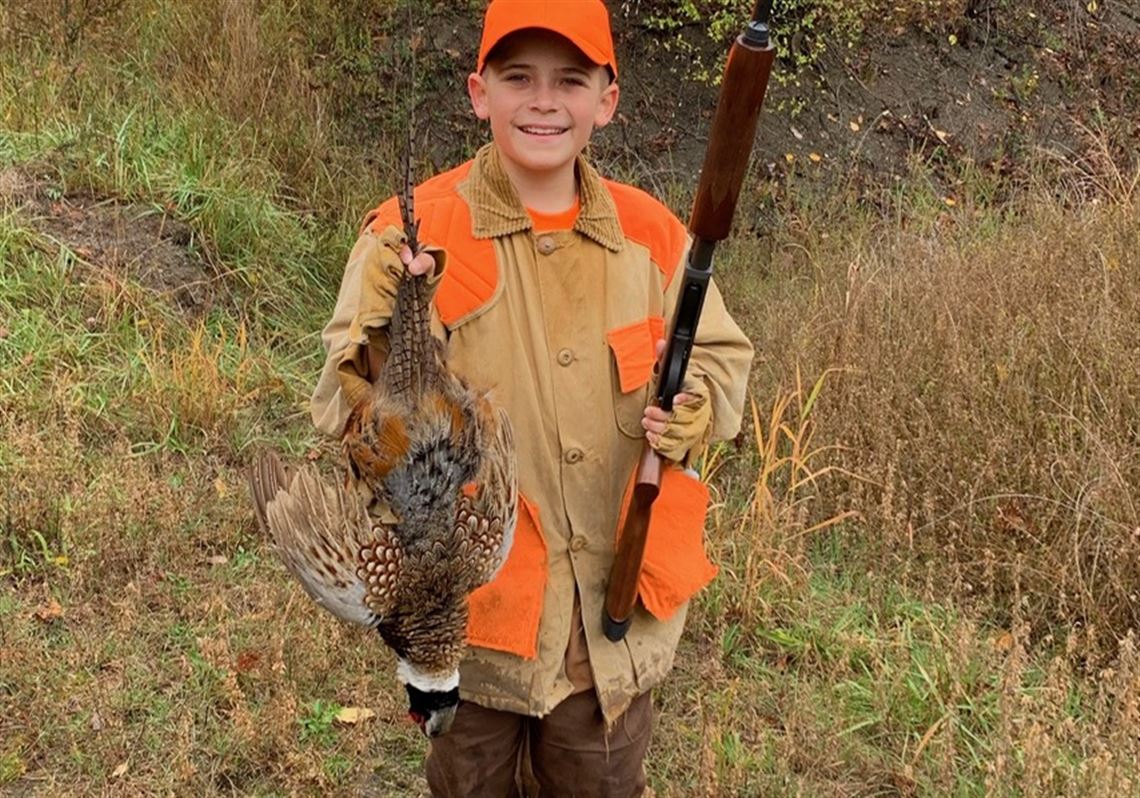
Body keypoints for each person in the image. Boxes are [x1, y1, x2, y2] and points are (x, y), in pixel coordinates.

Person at [310, 1, 753, 795]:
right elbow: (340, 407)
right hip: (476, 627)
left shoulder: (652, 235)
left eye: (570, 80)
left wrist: (694, 409)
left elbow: (721, 356)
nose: (544, 101)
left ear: (606, 101)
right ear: (480, 93)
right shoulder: (407, 235)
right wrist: (384, 336)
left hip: (610, 626)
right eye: (519, 78)